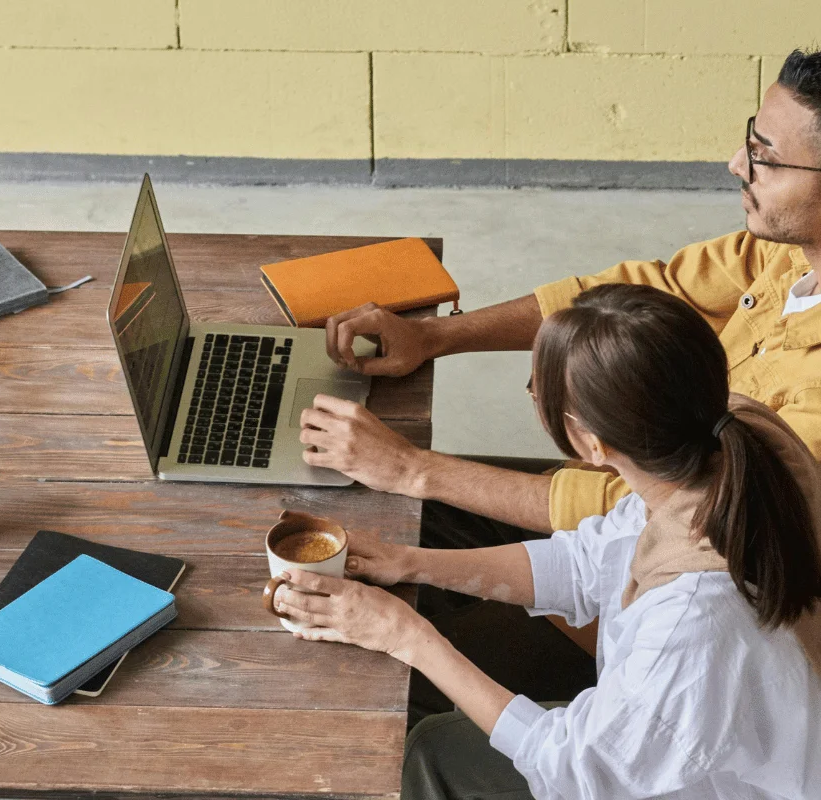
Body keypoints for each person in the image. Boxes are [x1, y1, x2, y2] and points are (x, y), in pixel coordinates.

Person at [275, 284, 821, 799]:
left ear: (591, 443)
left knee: (431, 750)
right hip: (705, 725)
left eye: (537, 391)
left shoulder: (694, 616)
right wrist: (409, 562)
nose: (533, 397)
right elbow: (585, 562)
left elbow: (575, 767)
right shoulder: (727, 439)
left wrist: (408, 636)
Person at [300, 47, 821, 540]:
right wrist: (430, 336)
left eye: (765, 157)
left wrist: (410, 470)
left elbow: (669, 515)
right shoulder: (788, 254)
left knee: (360, 520)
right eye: (748, 141)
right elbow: (645, 294)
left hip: (667, 560)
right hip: (619, 491)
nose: (736, 164)